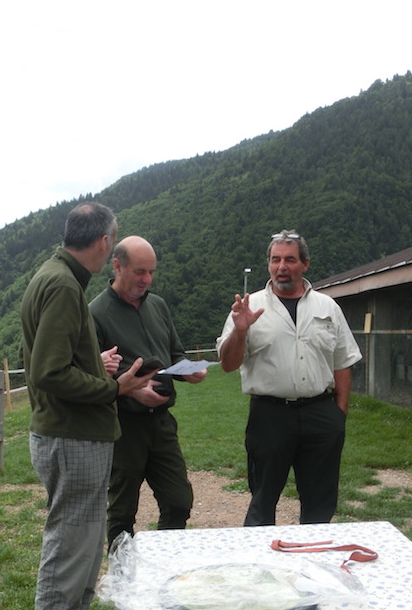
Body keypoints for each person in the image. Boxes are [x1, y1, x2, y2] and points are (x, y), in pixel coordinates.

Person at [20, 202, 164, 610]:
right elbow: (47, 372)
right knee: (70, 544)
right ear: (104, 242)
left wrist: (90, 362)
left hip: (70, 432)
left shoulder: (53, 275)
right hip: (72, 435)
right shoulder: (64, 286)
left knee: (82, 543)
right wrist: (115, 387)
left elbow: (39, 356)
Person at [216, 230, 362, 526]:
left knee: (320, 503)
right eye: (275, 260)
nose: (281, 267)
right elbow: (228, 364)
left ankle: (313, 553)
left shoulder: (327, 307)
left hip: (320, 414)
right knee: (262, 500)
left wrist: (339, 414)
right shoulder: (249, 307)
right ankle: (260, 554)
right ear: (268, 264)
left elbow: (343, 361)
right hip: (270, 416)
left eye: (290, 260)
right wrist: (241, 331)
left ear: (304, 264)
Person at [89, 236, 206, 548]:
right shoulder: (96, 313)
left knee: (179, 501)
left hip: (162, 423)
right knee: (122, 511)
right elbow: (91, 375)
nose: (147, 279)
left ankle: (162, 564)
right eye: (140, 272)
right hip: (123, 427)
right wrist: (131, 391)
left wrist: (188, 371)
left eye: (151, 272)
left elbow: (175, 353)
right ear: (117, 266)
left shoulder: (158, 305)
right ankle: (122, 573)